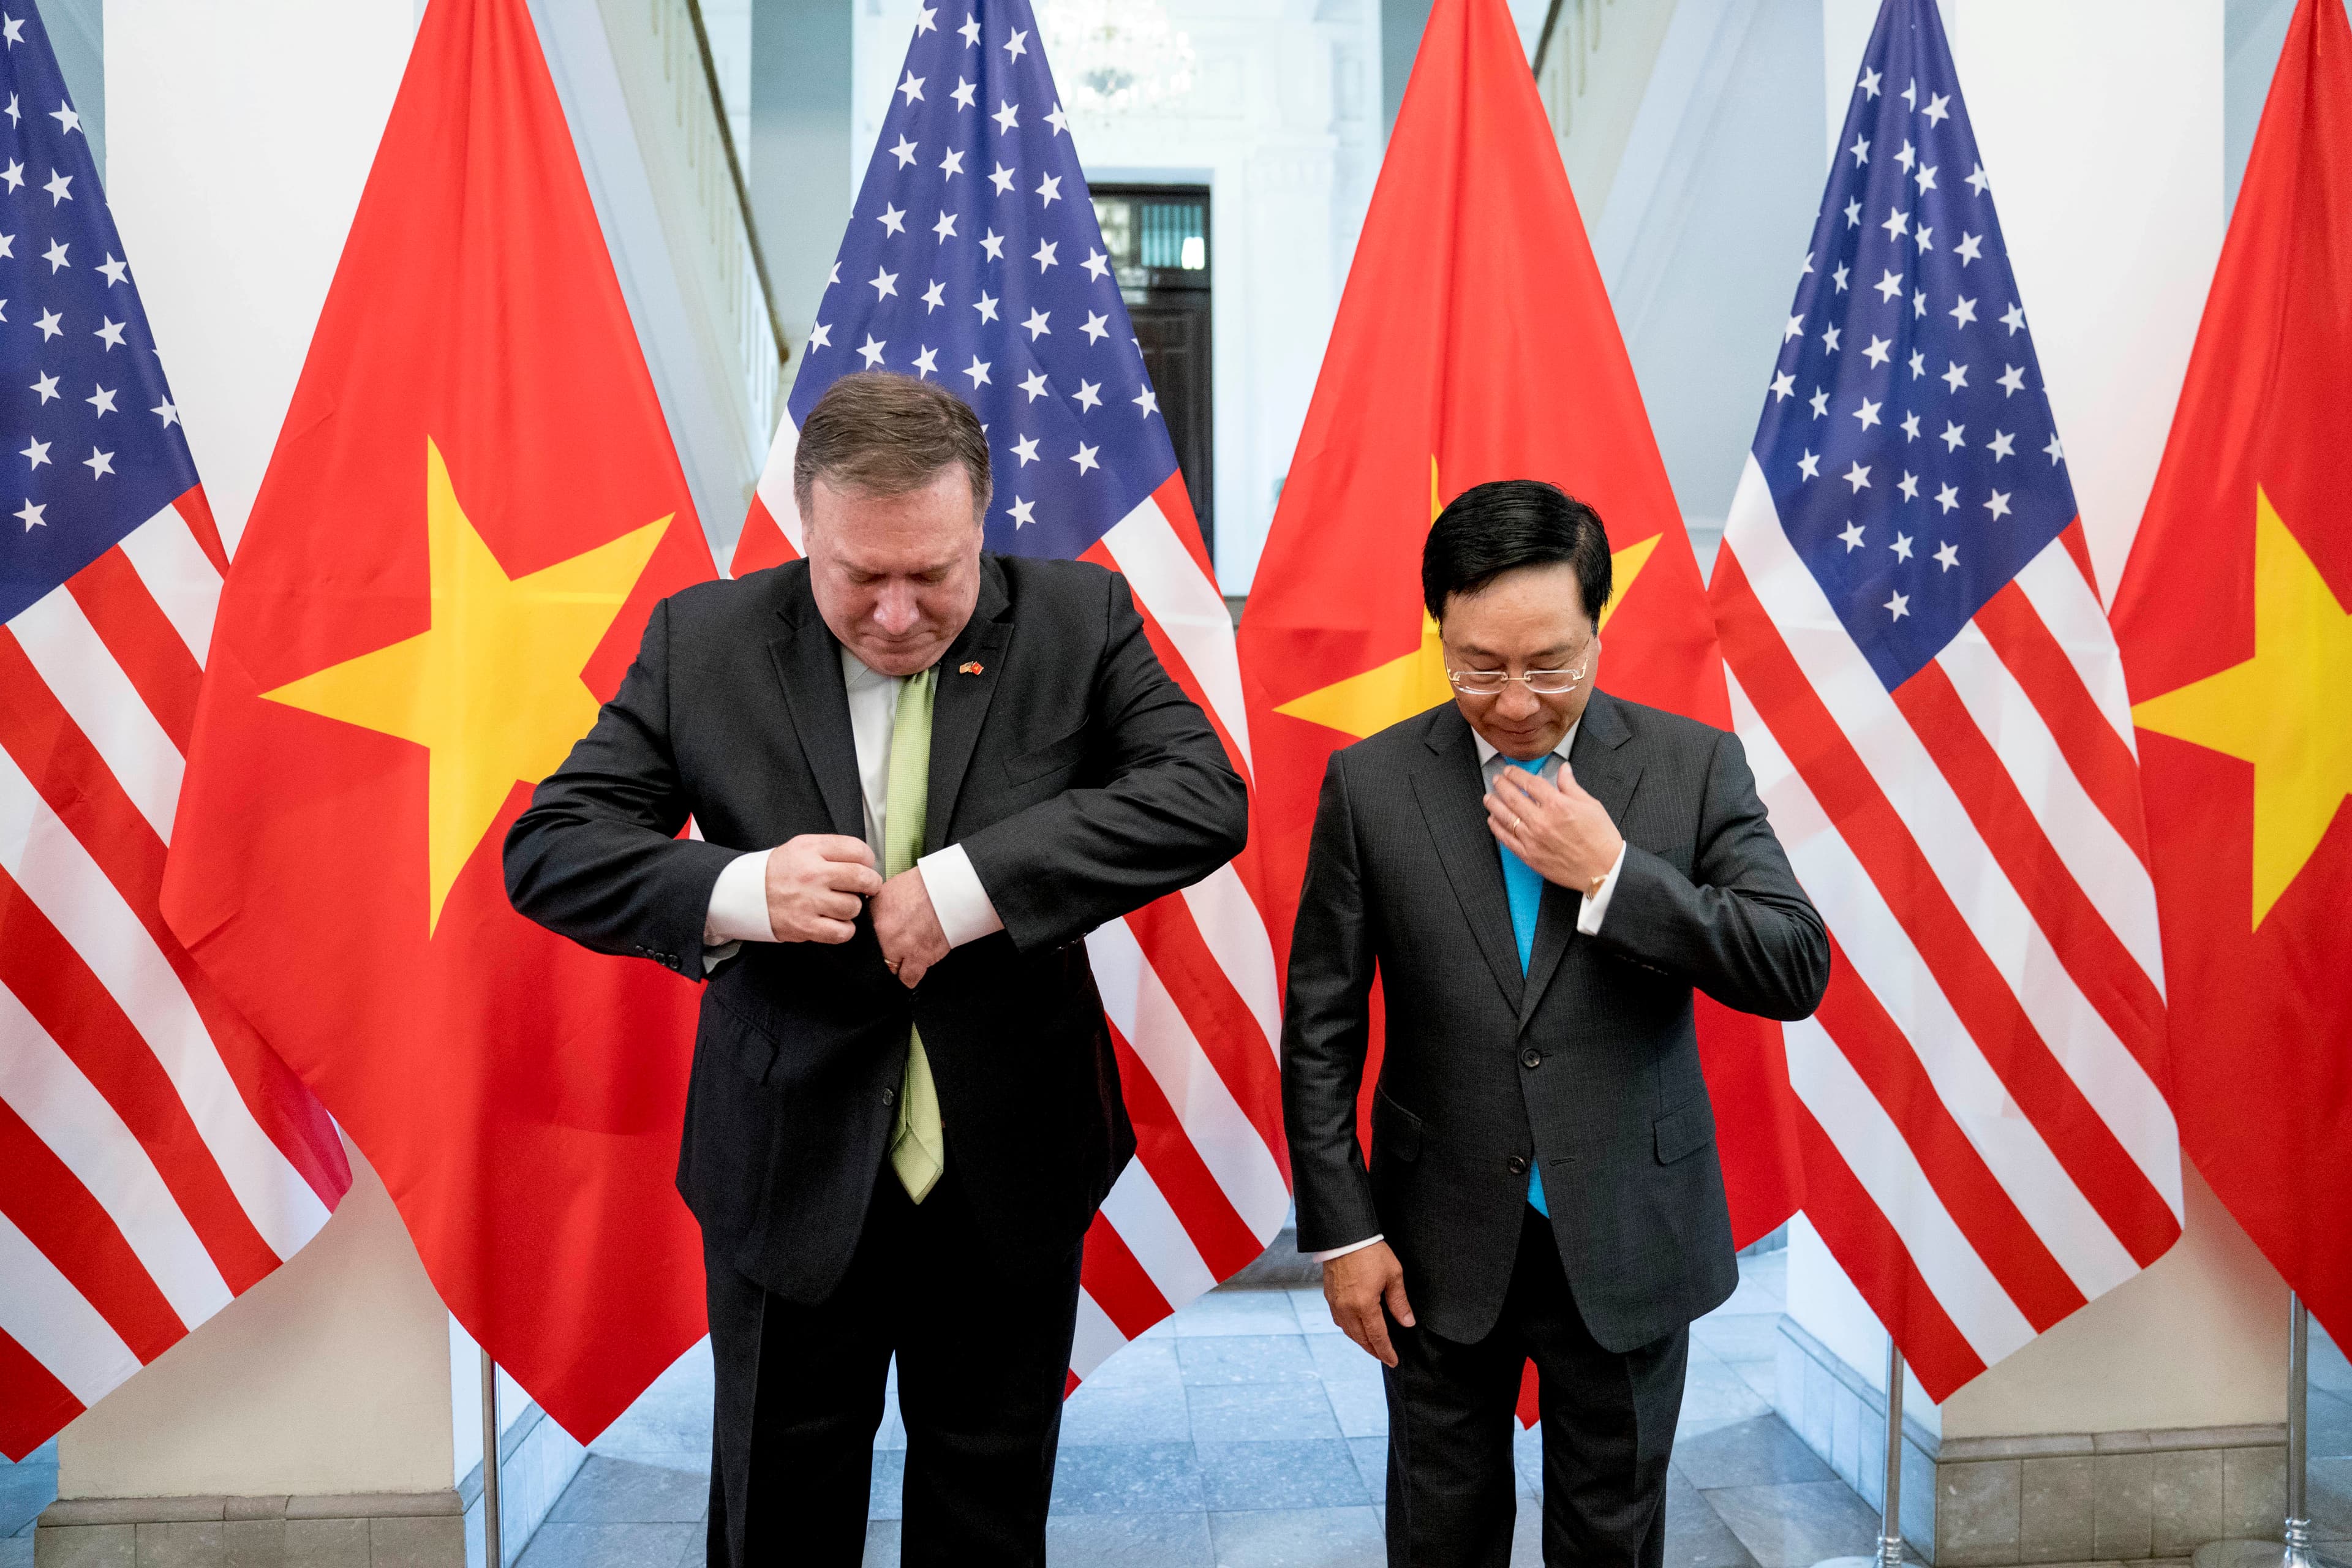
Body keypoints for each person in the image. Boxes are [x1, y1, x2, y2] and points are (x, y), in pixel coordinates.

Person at [503, 371, 1249, 1568]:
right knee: (779, 1515)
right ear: (808, 527)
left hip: (1010, 1159)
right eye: (859, 576)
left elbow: (1202, 797)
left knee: (988, 1512)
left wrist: (966, 890)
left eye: (934, 574)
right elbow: (551, 849)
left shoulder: (1080, 619)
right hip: (785, 1163)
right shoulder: (704, 640)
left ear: (981, 521)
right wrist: (744, 890)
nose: (898, 615)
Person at [1280, 480, 1829, 1567]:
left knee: (1611, 1538)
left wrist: (1617, 876)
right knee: (1440, 1534)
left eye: (1551, 665)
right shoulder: (1372, 784)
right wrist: (1344, 1233)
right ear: (1440, 633)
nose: (1517, 701)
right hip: (1434, 1239)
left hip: (1629, 1229)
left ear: (1597, 629)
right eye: (1480, 666)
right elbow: (1321, 1030)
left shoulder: (1692, 767)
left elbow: (1792, 963)